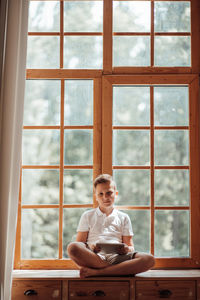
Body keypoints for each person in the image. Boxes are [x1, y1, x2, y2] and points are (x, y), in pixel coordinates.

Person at [67, 174, 155, 278]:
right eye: (101, 194)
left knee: (149, 259)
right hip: (95, 258)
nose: (105, 197)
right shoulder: (87, 215)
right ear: (96, 196)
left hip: (118, 258)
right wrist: (91, 247)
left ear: (115, 193)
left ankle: (98, 272)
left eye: (109, 193)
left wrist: (126, 249)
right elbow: (80, 244)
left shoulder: (124, 217)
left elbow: (131, 247)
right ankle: (119, 270)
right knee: (72, 247)